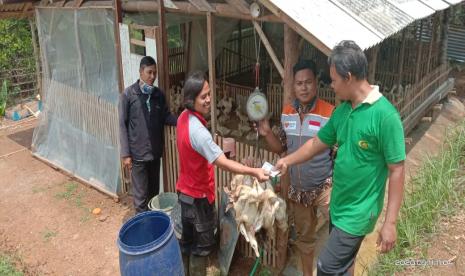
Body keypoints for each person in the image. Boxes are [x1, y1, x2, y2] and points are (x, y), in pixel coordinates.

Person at [274, 40, 406, 276]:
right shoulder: (344, 111)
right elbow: (316, 143)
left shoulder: (385, 116)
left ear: (348, 77)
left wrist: (390, 223)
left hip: (358, 212)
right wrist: (287, 161)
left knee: (326, 267)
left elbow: (397, 169)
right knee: (343, 268)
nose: (331, 86)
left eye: (334, 80)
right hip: (339, 205)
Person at [176, 71, 269, 276]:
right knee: (201, 249)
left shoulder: (183, 118)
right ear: (191, 100)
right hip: (199, 199)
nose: (209, 99)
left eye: (209, 93)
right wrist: (254, 171)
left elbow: (197, 151)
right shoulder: (198, 132)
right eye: (203, 96)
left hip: (184, 194)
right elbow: (223, 163)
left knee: (187, 244)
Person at [257, 59, 334, 276]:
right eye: (299, 83)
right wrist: (267, 133)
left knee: (340, 233)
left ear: (316, 83)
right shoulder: (287, 113)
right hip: (298, 191)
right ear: (293, 86)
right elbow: (281, 148)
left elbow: (337, 153)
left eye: (308, 82)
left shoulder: (329, 113)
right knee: (305, 241)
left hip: (325, 188)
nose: (303, 87)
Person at [119, 56, 177, 214]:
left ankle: (152, 228)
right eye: (149, 72)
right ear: (140, 72)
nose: (152, 76)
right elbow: (122, 124)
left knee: (154, 196)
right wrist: (126, 154)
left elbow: (166, 116)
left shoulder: (158, 95)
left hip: (154, 155)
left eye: (155, 73)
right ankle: (142, 233)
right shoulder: (129, 95)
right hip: (138, 157)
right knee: (140, 199)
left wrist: (183, 120)